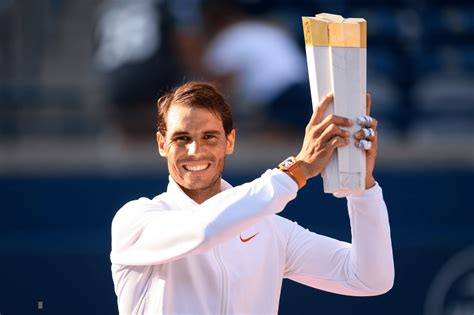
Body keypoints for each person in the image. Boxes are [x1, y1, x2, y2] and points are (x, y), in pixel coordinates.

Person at [110, 81, 394, 314]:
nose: (196, 151)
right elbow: (203, 230)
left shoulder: (271, 230)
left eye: (209, 137)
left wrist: (362, 188)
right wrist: (296, 170)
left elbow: (369, 278)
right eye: (181, 138)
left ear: (229, 141)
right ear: (162, 144)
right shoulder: (135, 220)